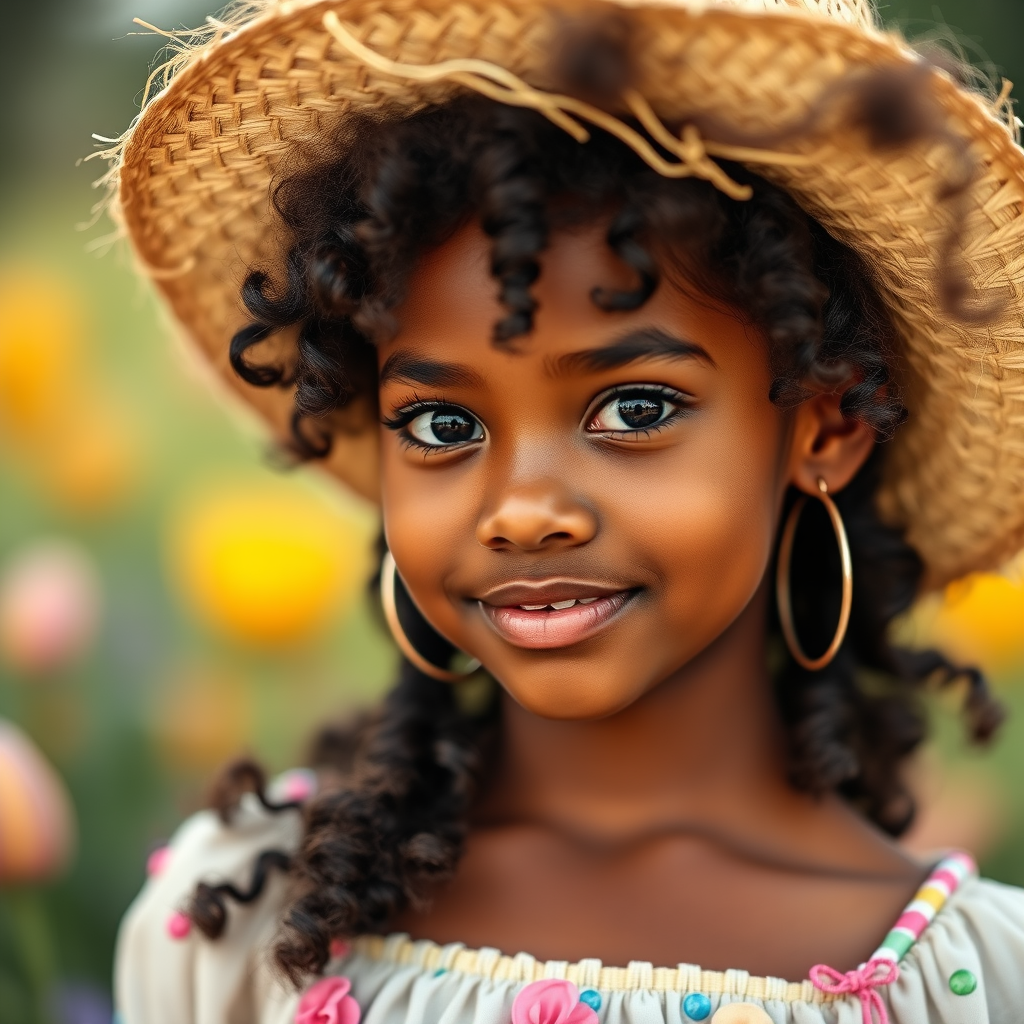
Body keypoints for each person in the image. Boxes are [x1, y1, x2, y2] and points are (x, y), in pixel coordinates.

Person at [107, 0, 1024, 1021]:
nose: (523, 510)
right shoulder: (244, 921)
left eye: (634, 408)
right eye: (444, 426)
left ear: (827, 424)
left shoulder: (983, 980)